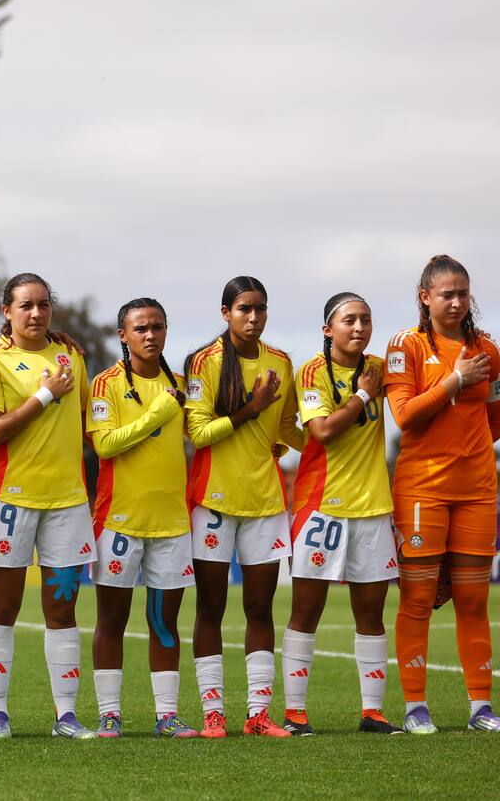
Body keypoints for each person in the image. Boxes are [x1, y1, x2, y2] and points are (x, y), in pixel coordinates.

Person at [0, 272, 95, 740]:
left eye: (44, 304)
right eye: (25, 305)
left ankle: (66, 716)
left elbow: (86, 423)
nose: (36, 313)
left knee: (62, 612)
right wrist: (45, 395)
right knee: (2, 609)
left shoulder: (71, 355)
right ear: (7, 311)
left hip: (68, 503)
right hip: (11, 501)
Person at [184, 276, 304, 738]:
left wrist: (330, 440)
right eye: (244, 309)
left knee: (259, 607)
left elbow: (288, 428)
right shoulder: (205, 361)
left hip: (265, 501)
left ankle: (258, 714)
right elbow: (198, 433)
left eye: (260, 309)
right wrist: (250, 409)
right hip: (213, 500)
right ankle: (213, 713)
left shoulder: (281, 362)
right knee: (211, 607)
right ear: (226, 313)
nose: (253, 318)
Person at [384, 255, 500, 734]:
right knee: (417, 599)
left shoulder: (488, 349)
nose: (456, 302)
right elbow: (404, 415)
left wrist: (468, 446)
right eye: (446, 294)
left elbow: (495, 418)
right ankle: (415, 707)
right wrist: (456, 379)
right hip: (422, 491)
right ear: (425, 297)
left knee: (473, 600)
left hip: (477, 490)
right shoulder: (405, 345)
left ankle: (481, 708)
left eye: (463, 293)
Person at [281, 293, 401, 736]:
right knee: (306, 611)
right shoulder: (312, 371)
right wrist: (363, 393)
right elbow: (324, 431)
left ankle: (373, 713)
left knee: (371, 614)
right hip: (321, 508)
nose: (359, 327)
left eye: (365, 319)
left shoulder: (382, 367)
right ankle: (295, 713)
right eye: (349, 320)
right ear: (328, 329)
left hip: (373, 509)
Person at [87, 298, 198, 739]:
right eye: (141, 328)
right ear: (123, 335)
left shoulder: (183, 385)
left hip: (172, 522)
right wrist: (158, 413)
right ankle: (109, 714)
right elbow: (104, 445)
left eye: (158, 327)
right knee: (111, 621)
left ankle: (167, 715)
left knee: (164, 623)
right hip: (119, 520)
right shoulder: (105, 384)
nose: (150, 335)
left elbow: (202, 433)